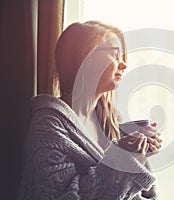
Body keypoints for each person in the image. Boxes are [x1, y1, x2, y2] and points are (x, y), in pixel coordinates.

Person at [18, 21, 162, 200]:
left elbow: (143, 195)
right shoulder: (48, 126)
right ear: (84, 60)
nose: (123, 65)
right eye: (114, 55)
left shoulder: (112, 120)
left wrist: (138, 155)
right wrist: (122, 159)